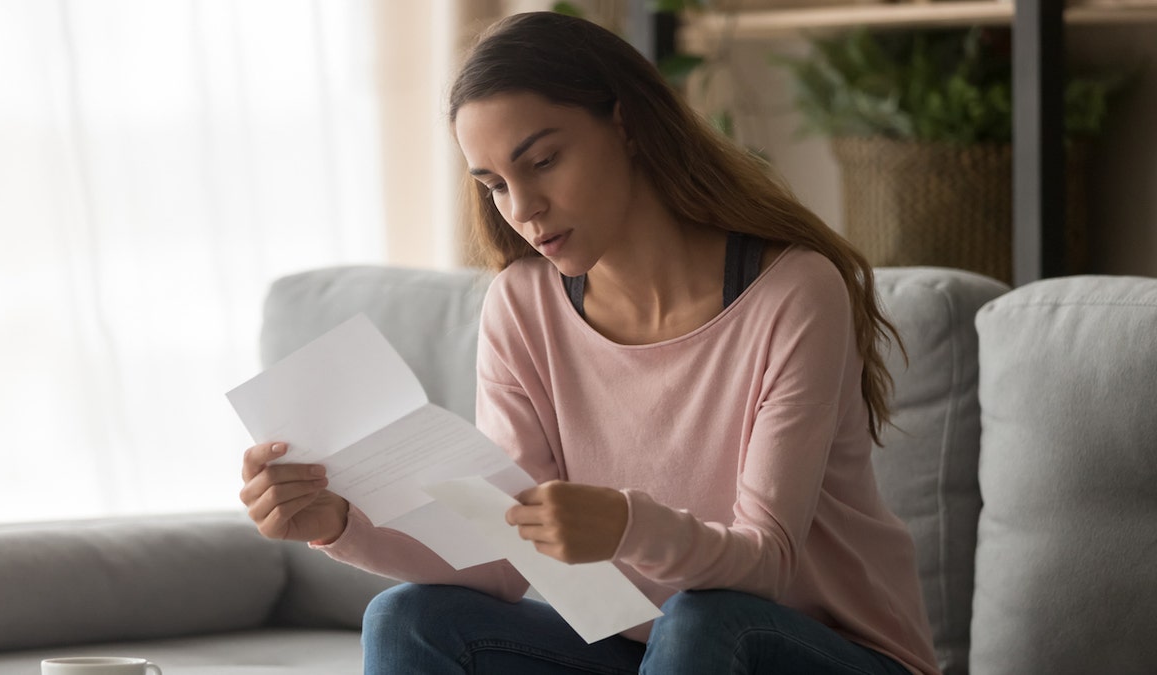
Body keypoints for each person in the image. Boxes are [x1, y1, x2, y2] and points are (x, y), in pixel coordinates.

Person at [239, 11, 940, 675]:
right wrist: (339, 522)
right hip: (656, 649)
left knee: (703, 620)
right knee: (409, 619)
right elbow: (509, 559)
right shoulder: (522, 305)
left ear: (626, 124)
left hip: (827, 650)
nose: (522, 209)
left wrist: (629, 526)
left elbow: (767, 563)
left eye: (542, 161)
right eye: (495, 186)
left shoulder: (792, 292)